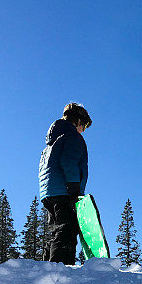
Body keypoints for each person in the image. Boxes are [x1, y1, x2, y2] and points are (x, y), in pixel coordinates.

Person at [38, 103, 91, 265]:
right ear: (78, 121)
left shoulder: (52, 142)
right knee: (67, 231)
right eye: (84, 126)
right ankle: (61, 271)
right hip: (64, 191)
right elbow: (69, 162)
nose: (83, 130)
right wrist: (74, 186)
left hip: (49, 193)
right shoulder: (72, 136)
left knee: (56, 231)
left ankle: (47, 270)